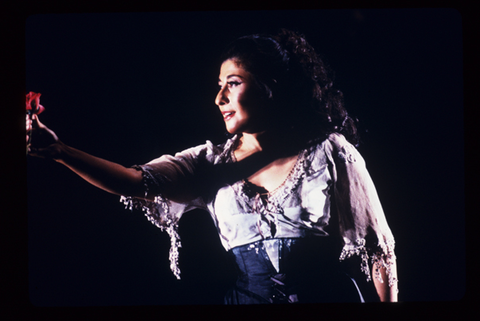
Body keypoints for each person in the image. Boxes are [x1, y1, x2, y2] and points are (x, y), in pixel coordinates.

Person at [26, 29, 398, 304]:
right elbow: (136, 181)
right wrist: (60, 150)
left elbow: (377, 250)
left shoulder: (329, 152)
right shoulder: (208, 162)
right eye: (219, 85)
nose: (219, 98)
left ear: (272, 87)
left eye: (232, 84)